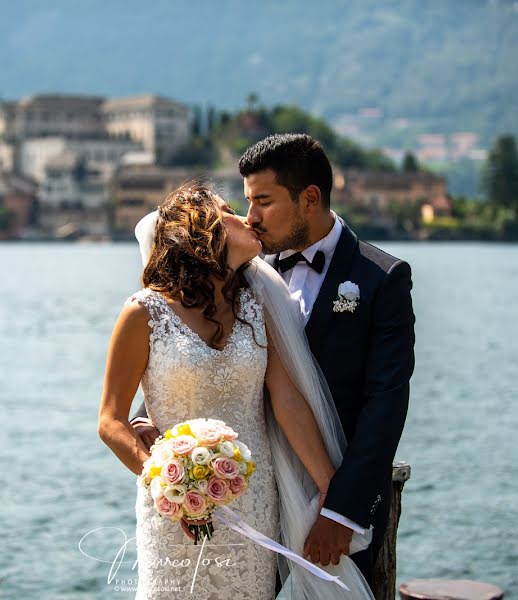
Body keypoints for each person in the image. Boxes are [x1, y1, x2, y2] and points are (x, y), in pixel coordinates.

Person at [131, 134, 415, 589]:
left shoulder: (381, 279)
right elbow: (196, 350)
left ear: (309, 198)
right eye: (247, 202)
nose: (250, 217)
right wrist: (150, 422)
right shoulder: (242, 268)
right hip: (241, 495)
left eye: (263, 201)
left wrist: (341, 509)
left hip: (328, 508)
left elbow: (386, 405)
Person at [99, 183, 374, 599]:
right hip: (177, 510)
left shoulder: (253, 306)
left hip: (253, 500)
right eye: (229, 210)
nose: (247, 218)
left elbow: (287, 400)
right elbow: (110, 421)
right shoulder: (143, 312)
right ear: (198, 227)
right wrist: (164, 485)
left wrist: (328, 488)